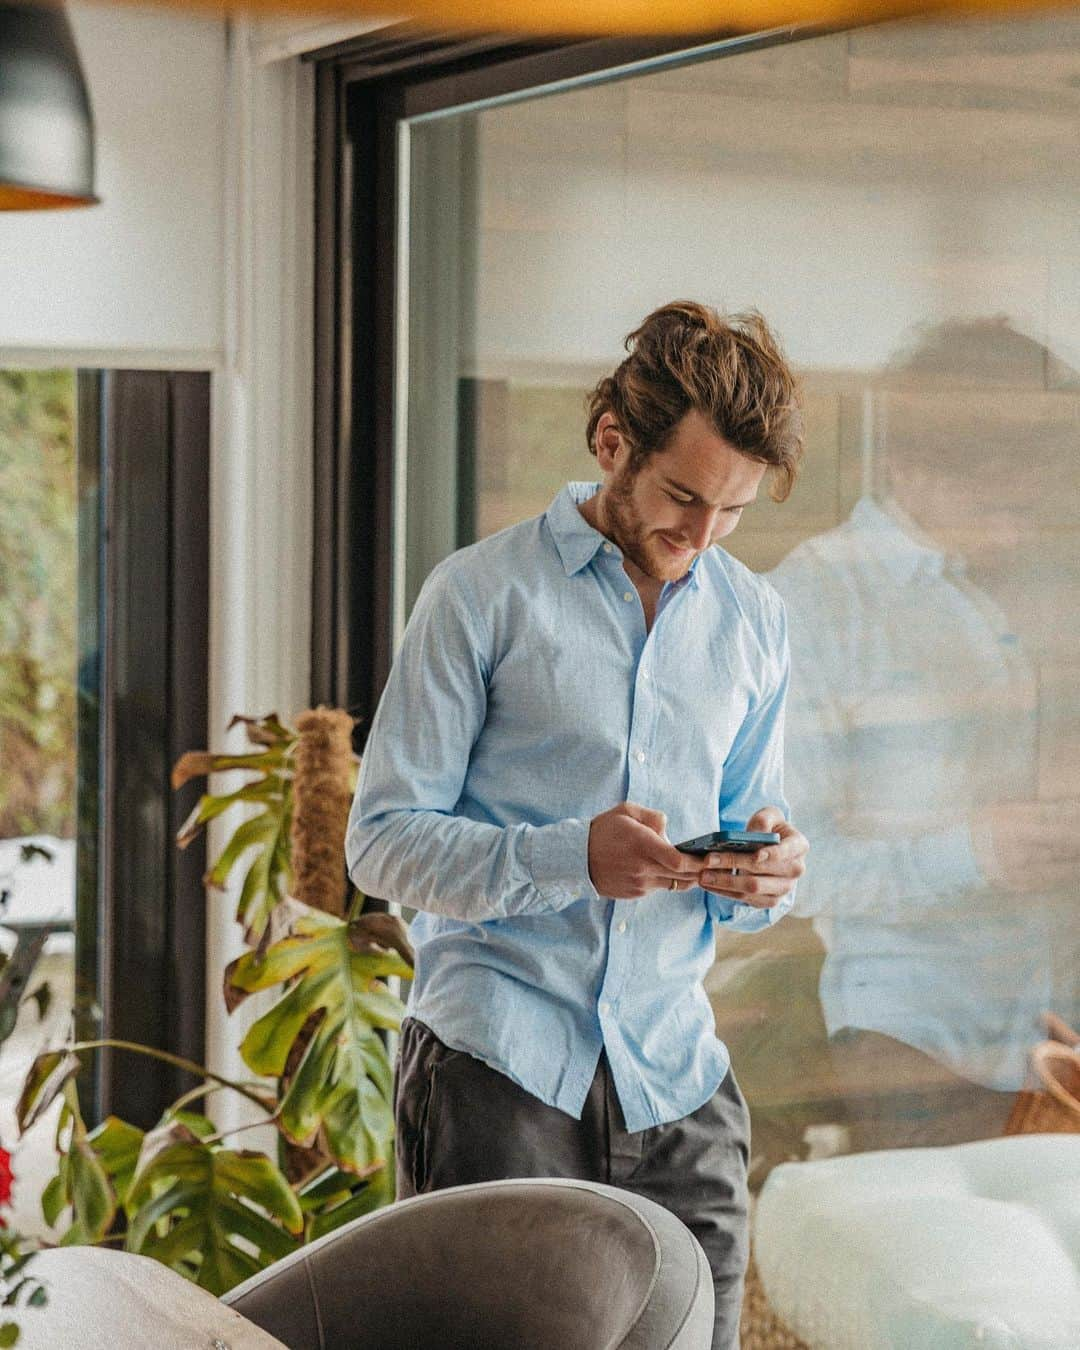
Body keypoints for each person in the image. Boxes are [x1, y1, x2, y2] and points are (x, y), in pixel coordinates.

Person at [346, 300, 809, 1349]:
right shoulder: (477, 596)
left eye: (733, 511)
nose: (701, 537)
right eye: (682, 496)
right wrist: (570, 857)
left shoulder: (755, 622)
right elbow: (379, 843)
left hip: (679, 1080)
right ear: (612, 443)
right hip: (499, 1077)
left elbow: (749, 828)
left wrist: (767, 876)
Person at [769, 316, 1080, 1151]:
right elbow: (787, 872)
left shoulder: (1056, 579)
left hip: (1064, 1036)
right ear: (907, 465)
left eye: (1039, 479)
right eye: (996, 487)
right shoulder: (816, 604)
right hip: (917, 1053)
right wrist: (973, 854)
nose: (1026, 509)